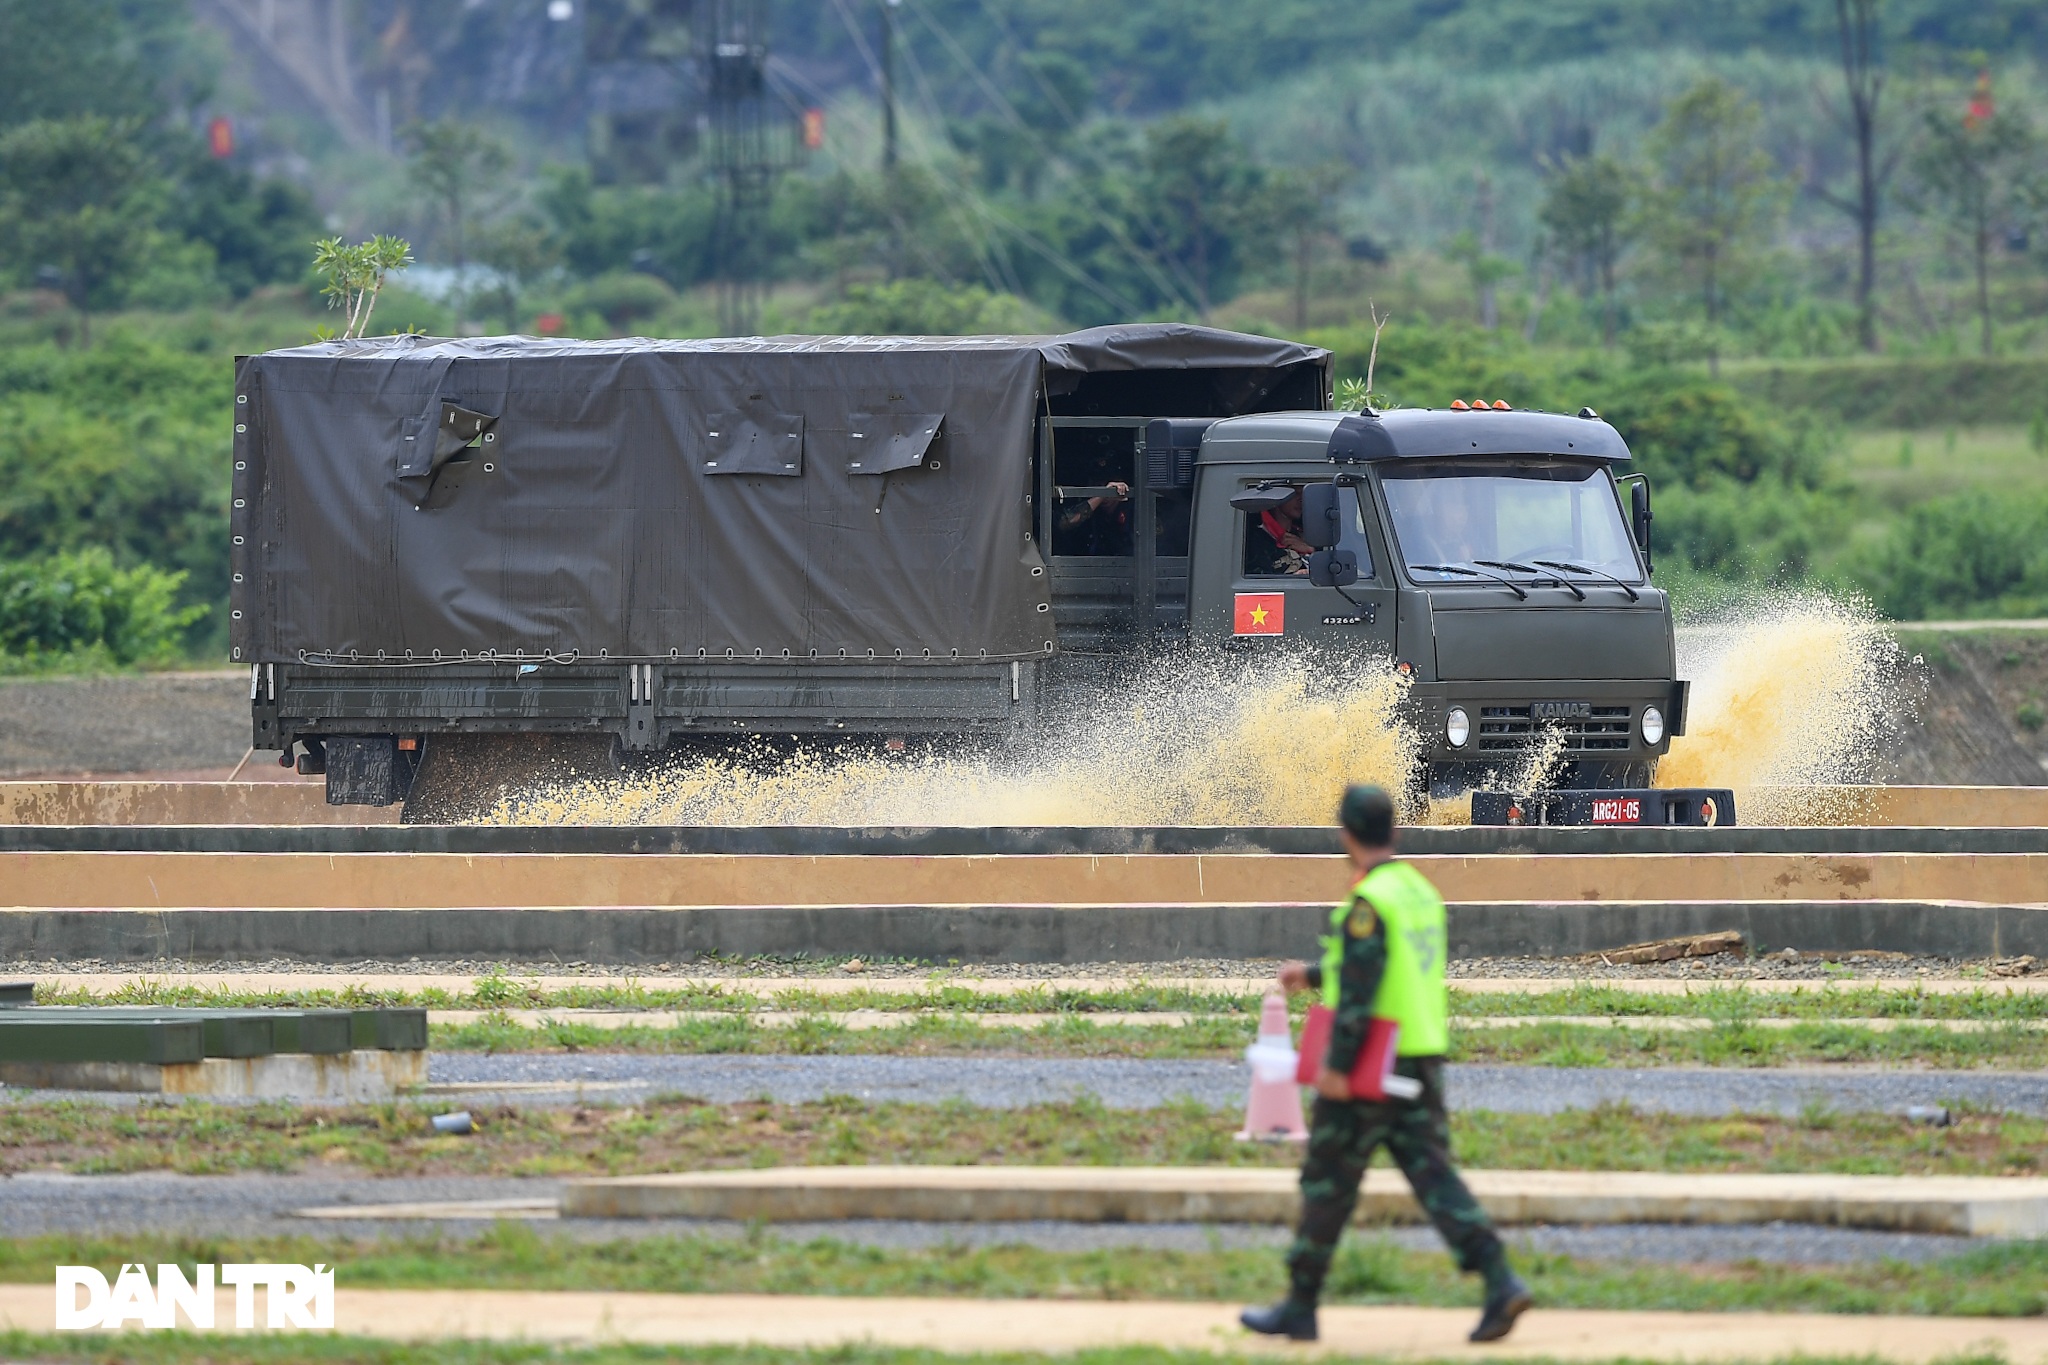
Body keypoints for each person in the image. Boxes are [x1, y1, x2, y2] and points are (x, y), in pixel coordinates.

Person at [1241, 784, 1531, 1345]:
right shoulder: (1418, 891)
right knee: (1434, 1175)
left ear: (1346, 836)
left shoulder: (1368, 903)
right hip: (1422, 1055)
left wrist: (1335, 1067)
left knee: (1327, 1178)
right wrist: (1316, 973)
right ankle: (1500, 1279)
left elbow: (1363, 989)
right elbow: (1379, 964)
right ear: (1393, 830)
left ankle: (1300, 1304)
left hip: (1372, 1059)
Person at [1246, 487, 1312, 575]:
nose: (1301, 499)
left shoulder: (1307, 534)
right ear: (1276, 497)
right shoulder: (1254, 539)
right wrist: (1293, 578)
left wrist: (1310, 549)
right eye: (1295, 494)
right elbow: (1259, 582)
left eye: (1303, 494)